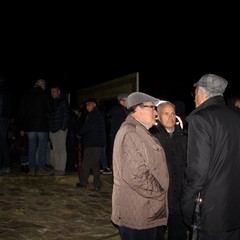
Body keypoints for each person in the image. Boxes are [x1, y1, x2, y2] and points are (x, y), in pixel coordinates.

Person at [180, 74, 240, 239]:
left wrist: (185, 205)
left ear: (202, 94)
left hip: (213, 213)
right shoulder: (236, 116)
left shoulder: (201, 119)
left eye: (195, 94)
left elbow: (198, 172)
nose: (194, 99)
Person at [111, 92, 169, 240]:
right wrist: (160, 193)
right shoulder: (131, 132)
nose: (156, 113)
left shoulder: (140, 131)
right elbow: (136, 175)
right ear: (137, 109)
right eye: (152, 108)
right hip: (140, 212)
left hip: (147, 209)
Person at [150, 101, 188, 240]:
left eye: (173, 114)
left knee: (178, 233)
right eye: (166, 114)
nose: (171, 117)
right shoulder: (152, 138)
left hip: (179, 197)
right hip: (160, 199)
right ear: (158, 116)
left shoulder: (184, 138)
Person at [17, 79, 50, 176]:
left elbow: (21, 111)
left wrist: (23, 126)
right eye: (45, 85)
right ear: (42, 85)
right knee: (42, 147)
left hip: (30, 126)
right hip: (42, 125)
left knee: (31, 147)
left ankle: (31, 168)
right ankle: (40, 168)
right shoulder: (43, 94)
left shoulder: (26, 94)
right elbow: (49, 108)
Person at [76, 98, 106, 190]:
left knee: (86, 163)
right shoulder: (96, 114)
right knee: (95, 164)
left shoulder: (94, 114)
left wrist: (79, 133)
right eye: (86, 105)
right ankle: (97, 184)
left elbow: (87, 127)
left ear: (94, 105)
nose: (87, 106)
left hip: (92, 143)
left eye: (89, 104)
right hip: (96, 142)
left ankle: (83, 182)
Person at [49, 86, 70, 175]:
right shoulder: (52, 102)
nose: (52, 93)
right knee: (55, 150)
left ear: (59, 92)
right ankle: (57, 168)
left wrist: (63, 128)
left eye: (54, 91)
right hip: (53, 129)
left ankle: (61, 169)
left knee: (61, 149)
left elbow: (66, 115)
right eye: (51, 92)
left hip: (60, 129)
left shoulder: (63, 101)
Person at [108, 93, 128, 169]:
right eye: (127, 100)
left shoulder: (120, 110)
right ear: (121, 101)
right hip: (120, 139)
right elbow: (121, 126)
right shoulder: (119, 111)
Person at [0, 73, 12, 175]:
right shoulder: (7, 90)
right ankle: (6, 165)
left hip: (2, 118)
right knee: (3, 141)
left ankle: (6, 165)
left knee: (3, 141)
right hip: (4, 118)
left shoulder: (2, 90)